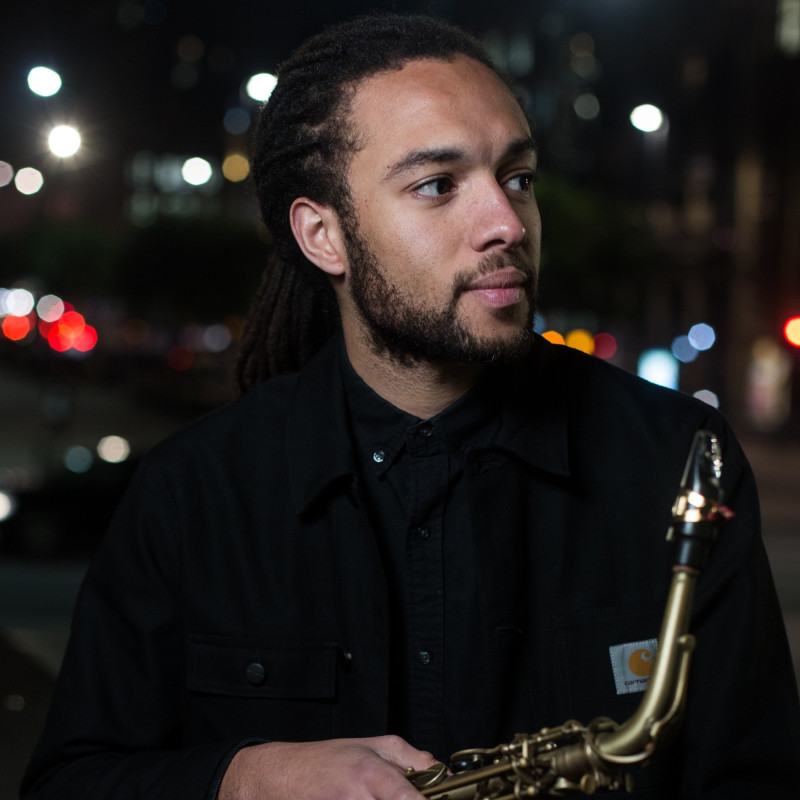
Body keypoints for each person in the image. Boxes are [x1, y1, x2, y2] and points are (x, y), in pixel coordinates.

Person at [21, 13, 800, 800]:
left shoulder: (679, 459)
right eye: (437, 185)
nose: (507, 224)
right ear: (323, 236)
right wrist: (249, 776)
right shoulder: (192, 492)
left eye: (519, 178)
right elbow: (69, 782)